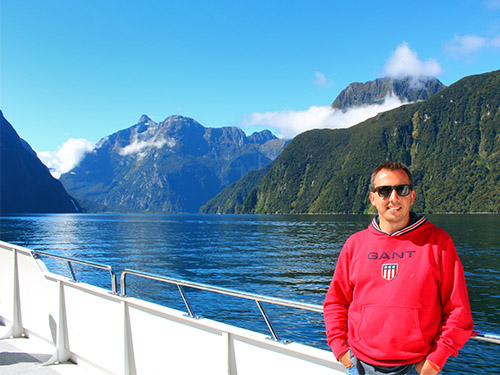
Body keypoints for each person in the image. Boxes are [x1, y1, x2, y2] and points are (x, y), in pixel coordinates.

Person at [323, 161, 473, 375]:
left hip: (416, 367)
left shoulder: (438, 242)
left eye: (401, 189)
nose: (393, 198)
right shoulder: (355, 244)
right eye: (384, 191)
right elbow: (336, 302)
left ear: (412, 196)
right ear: (373, 198)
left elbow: (458, 310)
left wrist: (435, 361)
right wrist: (341, 351)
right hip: (359, 366)